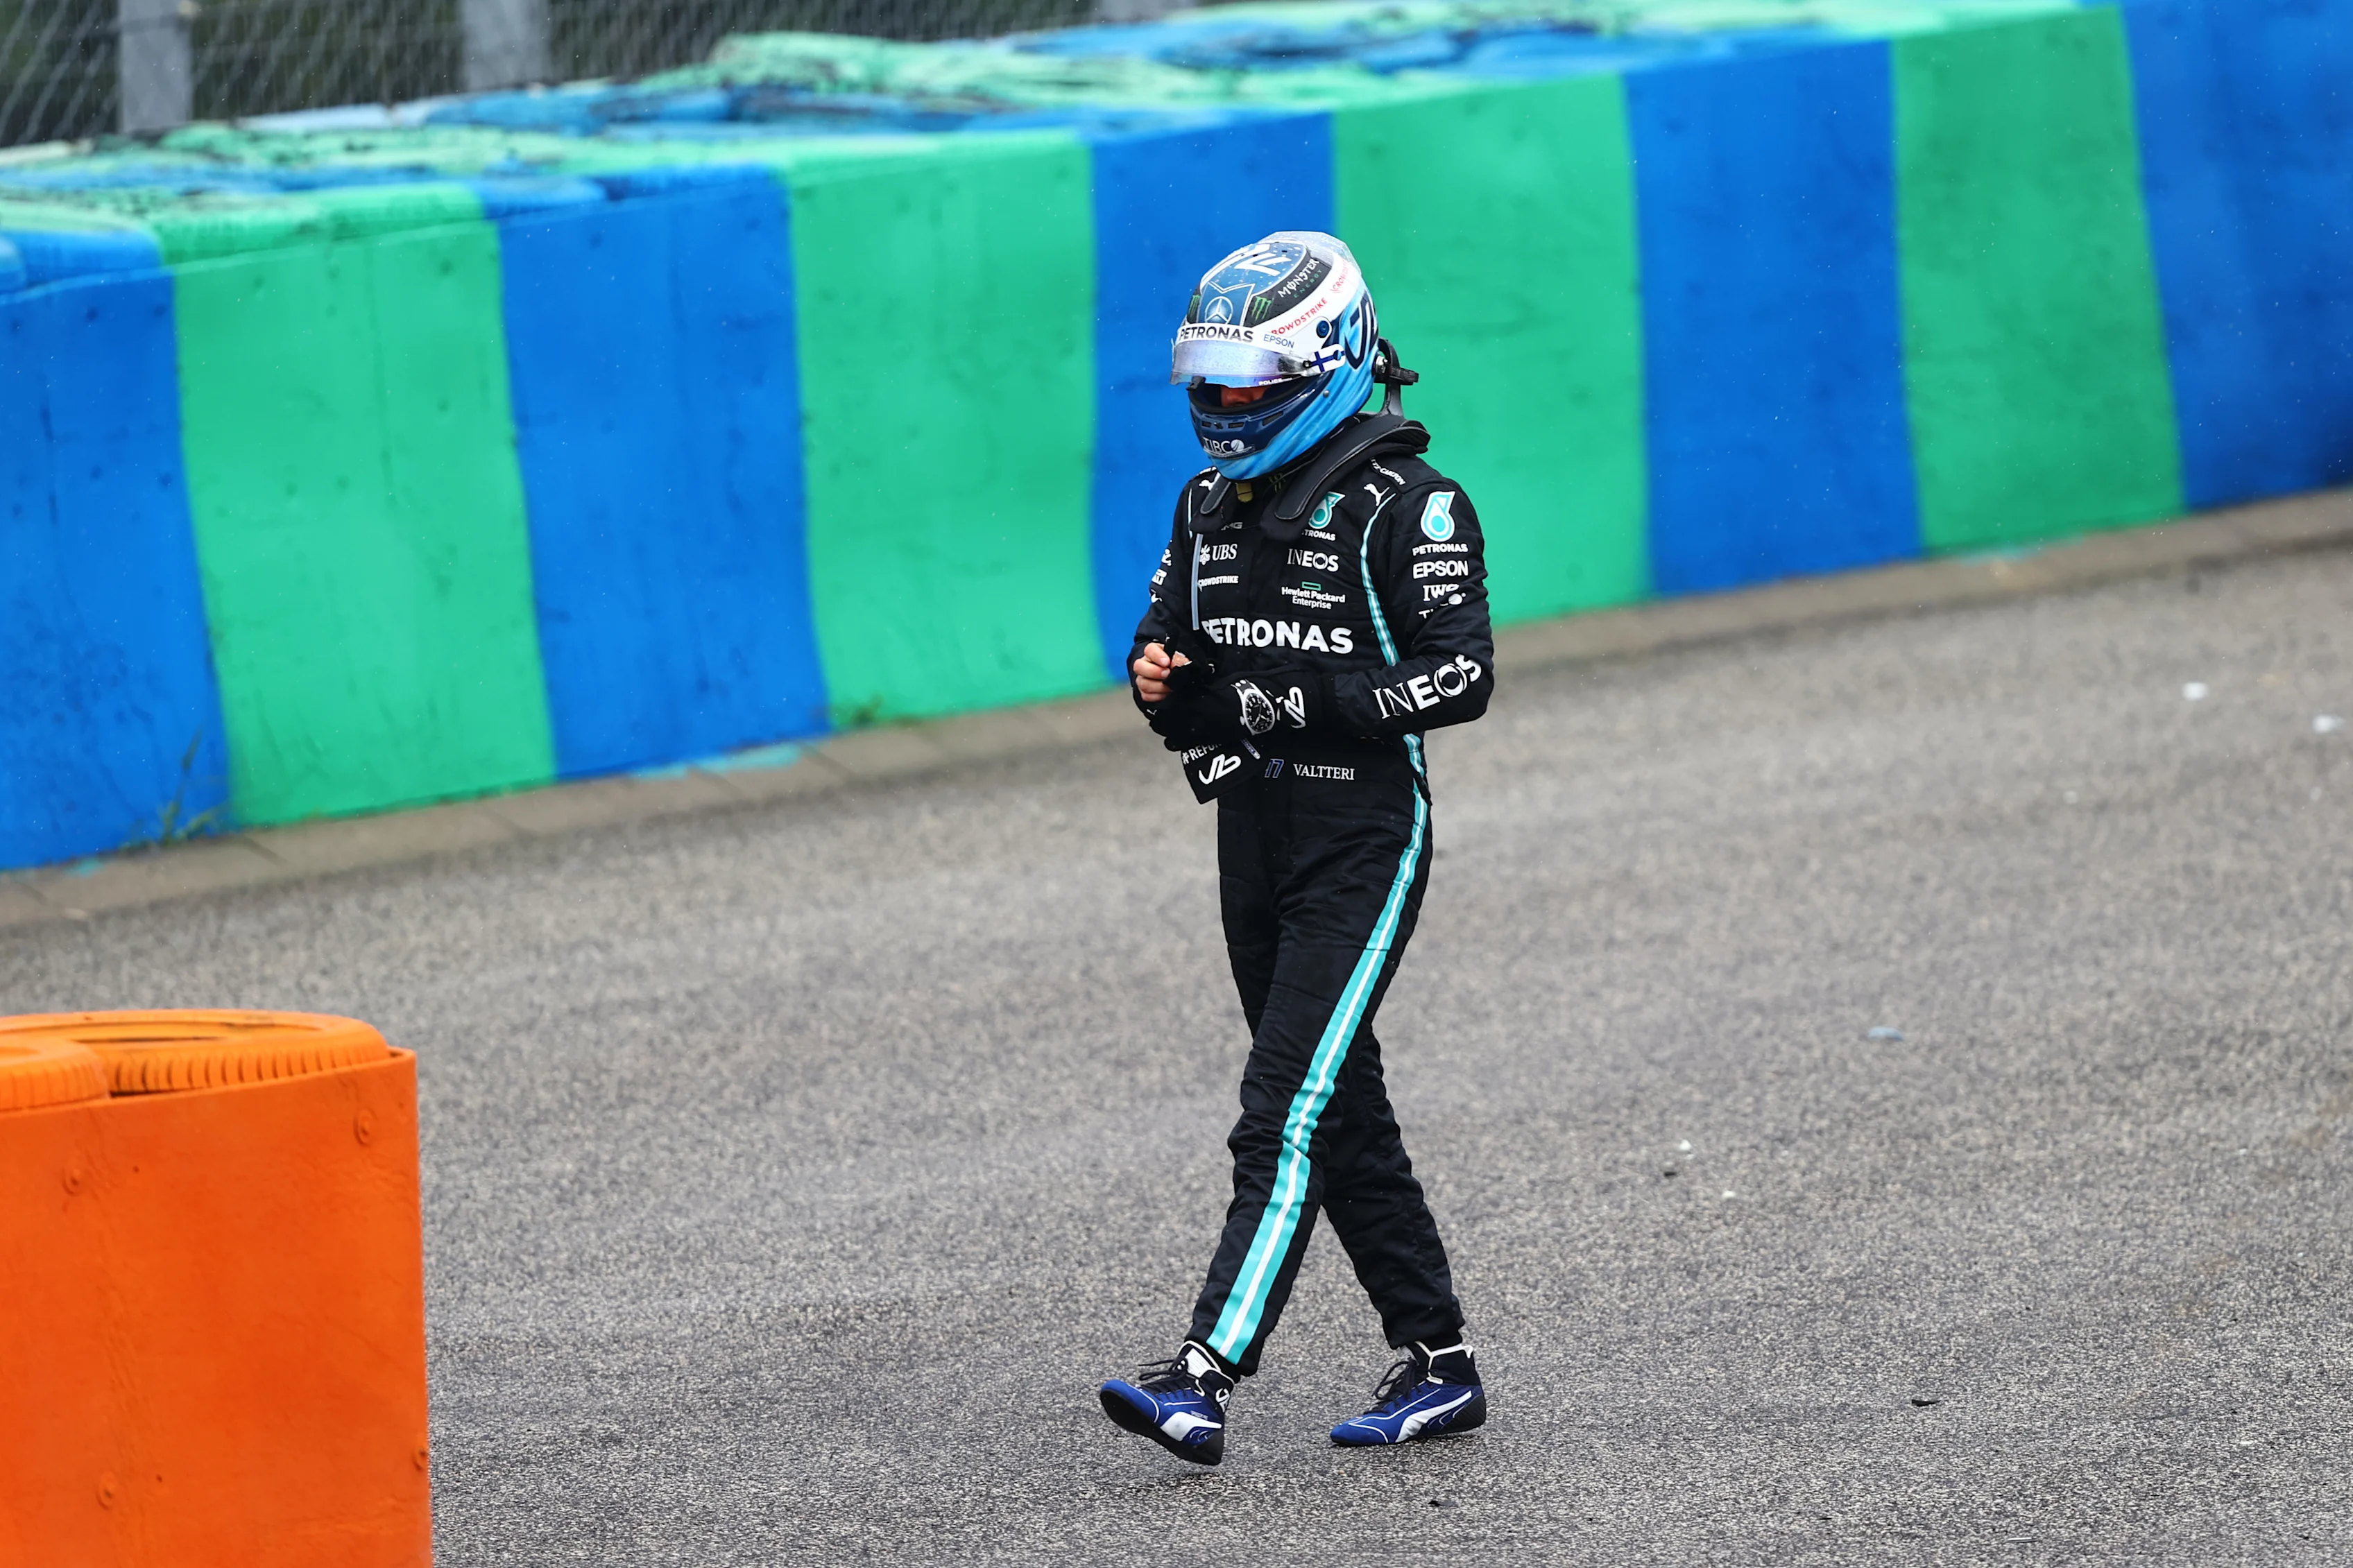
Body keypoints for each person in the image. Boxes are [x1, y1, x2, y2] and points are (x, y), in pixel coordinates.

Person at [1097, 232, 1494, 1466]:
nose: (1222, 410)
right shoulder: (1206, 505)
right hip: (1250, 836)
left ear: (1321, 368)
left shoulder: (1413, 503)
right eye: (1208, 389)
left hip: (1361, 838)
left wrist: (1289, 708)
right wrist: (1158, 682)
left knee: (1283, 1105)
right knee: (1342, 1107)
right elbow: (1171, 660)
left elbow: (1463, 676)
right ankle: (1440, 1366)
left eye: (1247, 389)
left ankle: (1203, 1372)